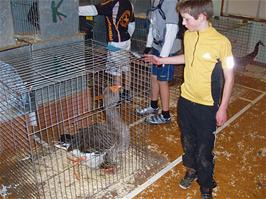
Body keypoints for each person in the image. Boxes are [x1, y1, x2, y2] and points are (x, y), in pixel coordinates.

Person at [144, 0, 235, 198]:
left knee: (204, 149)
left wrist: (223, 107)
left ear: (202, 16)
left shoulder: (222, 42)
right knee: (187, 141)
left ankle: (206, 185)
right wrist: (162, 60)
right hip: (185, 101)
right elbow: (188, 58)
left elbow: (230, 76)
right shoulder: (189, 35)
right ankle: (191, 171)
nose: (183, 23)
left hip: (207, 106)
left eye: (186, 19)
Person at [135, 0, 182, 124]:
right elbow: (153, 23)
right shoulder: (155, 1)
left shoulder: (170, 2)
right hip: (157, 47)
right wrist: (148, 46)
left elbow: (172, 30)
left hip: (167, 50)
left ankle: (166, 115)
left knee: (162, 81)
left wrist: (163, 58)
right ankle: (153, 105)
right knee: (154, 77)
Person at [79, 0, 135, 101]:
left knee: (115, 71)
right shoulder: (129, 3)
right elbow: (132, 24)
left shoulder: (113, 3)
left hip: (115, 43)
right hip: (126, 41)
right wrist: (126, 37)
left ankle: (116, 97)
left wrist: (75, 10)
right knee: (126, 67)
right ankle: (127, 93)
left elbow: (93, 9)